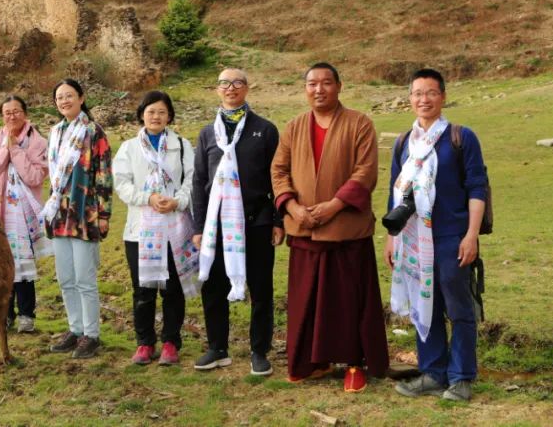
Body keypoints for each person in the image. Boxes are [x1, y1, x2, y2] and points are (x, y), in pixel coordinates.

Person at [270, 62, 387, 392]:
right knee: (305, 300)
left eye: (326, 83)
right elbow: (278, 172)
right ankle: (310, 361)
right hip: (304, 228)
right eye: (312, 84)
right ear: (305, 89)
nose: (318, 89)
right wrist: (292, 208)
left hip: (346, 230)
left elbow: (365, 172)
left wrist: (334, 206)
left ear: (339, 86)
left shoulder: (359, 124)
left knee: (349, 301)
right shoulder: (293, 127)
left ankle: (354, 364)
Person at [389, 68, 488, 403]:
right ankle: (433, 372)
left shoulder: (461, 137)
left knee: (459, 307)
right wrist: (391, 238)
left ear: (443, 96)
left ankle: (461, 377)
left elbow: (477, 187)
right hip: (413, 239)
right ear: (410, 99)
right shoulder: (404, 143)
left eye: (431, 92)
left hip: (451, 236)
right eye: (417, 93)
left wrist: (471, 234)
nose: (424, 99)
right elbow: (396, 191)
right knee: (424, 306)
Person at [191, 68, 283, 376]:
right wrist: (198, 228)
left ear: (247, 87)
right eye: (224, 83)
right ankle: (218, 347)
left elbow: (277, 178)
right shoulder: (207, 134)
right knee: (213, 287)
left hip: (256, 221)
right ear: (217, 89)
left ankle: (259, 350)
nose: (231, 88)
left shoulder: (265, 130)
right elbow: (199, 181)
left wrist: (278, 220)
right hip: (216, 226)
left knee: (261, 287)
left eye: (238, 82)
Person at [113, 91, 197, 366]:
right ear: (142, 115)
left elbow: (191, 182)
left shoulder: (182, 146)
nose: (156, 116)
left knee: (172, 288)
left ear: (169, 115)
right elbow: (122, 183)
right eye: (151, 112)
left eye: (161, 112)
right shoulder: (129, 148)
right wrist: (146, 198)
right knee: (143, 289)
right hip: (139, 230)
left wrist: (178, 201)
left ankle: (171, 341)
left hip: (173, 227)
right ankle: (144, 342)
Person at [43, 79, 113, 359]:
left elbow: (104, 174)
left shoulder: (93, 131)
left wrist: (104, 213)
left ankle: (91, 334)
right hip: (59, 212)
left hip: (86, 211)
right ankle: (75, 328)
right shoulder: (55, 132)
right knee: (66, 277)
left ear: (82, 98)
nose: (64, 101)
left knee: (85, 278)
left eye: (69, 95)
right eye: (59, 97)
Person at [0, 94, 50, 334]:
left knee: (23, 264)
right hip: (0, 214)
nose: (12, 116)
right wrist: (3, 151)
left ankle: (27, 315)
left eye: (16, 111)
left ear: (25, 113)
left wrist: (15, 150)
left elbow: (34, 177)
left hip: (24, 213)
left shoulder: (38, 142)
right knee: (0, 266)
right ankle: (4, 316)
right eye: (7, 112)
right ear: (1, 116)